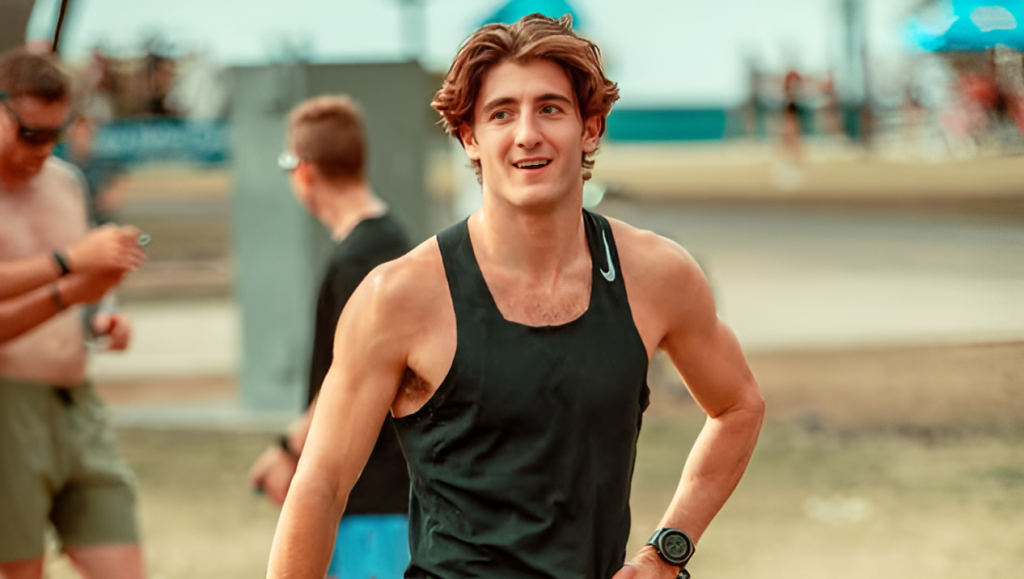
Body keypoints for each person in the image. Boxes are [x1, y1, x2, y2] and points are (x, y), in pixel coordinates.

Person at [268, 14, 764, 579]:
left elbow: (738, 406)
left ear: (591, 127)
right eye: (501, 113)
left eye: (550, 108)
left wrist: (665, 554)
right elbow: (321, 485)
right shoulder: (398, 296)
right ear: (470, 137)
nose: (527, 133)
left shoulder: (656, 275)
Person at [247, 95, 412, 579]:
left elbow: (351, 379)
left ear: (303, 170)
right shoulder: (392, 240)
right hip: (383, 495)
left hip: (372, 498)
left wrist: (287, 451)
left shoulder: (359, 261)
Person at [0, 48, 146, 579]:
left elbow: (83, 287)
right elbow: (68, 272)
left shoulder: (65, 182)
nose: (44, 149)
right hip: (8, 405)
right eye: (31, 133)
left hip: (75, 399)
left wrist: (100, 315)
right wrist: (68, 269)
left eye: (55, 135)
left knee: (124, 565)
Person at [0, 225, 145, 344]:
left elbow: (82, 261)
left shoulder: (73, 193)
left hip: (72, 370)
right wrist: (67, 261)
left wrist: (99, 310)